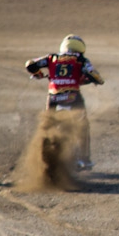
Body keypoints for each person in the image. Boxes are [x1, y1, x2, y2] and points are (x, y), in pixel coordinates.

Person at [25, 34, 105, 172]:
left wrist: (38, 74)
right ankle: (84, 158)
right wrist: (98, 80)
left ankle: (41, 157)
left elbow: (30, 64)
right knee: (83, 125)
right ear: (81, 48)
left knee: (47, 126)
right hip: (72, 97)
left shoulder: (52, 58)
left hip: (53, 99)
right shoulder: (80, 60)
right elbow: (92, 73)